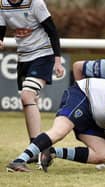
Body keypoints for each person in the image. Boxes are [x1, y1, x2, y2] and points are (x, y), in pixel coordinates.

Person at [0, 0, 64, 163]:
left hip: (43, 55)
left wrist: (57, 60)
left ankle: (34, 147)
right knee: (29, 100)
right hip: (23, 57)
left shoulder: (35, 3)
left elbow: (52, 30)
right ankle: (40, 149)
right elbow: (1, 30)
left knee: (27, 96)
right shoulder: (2, 4)